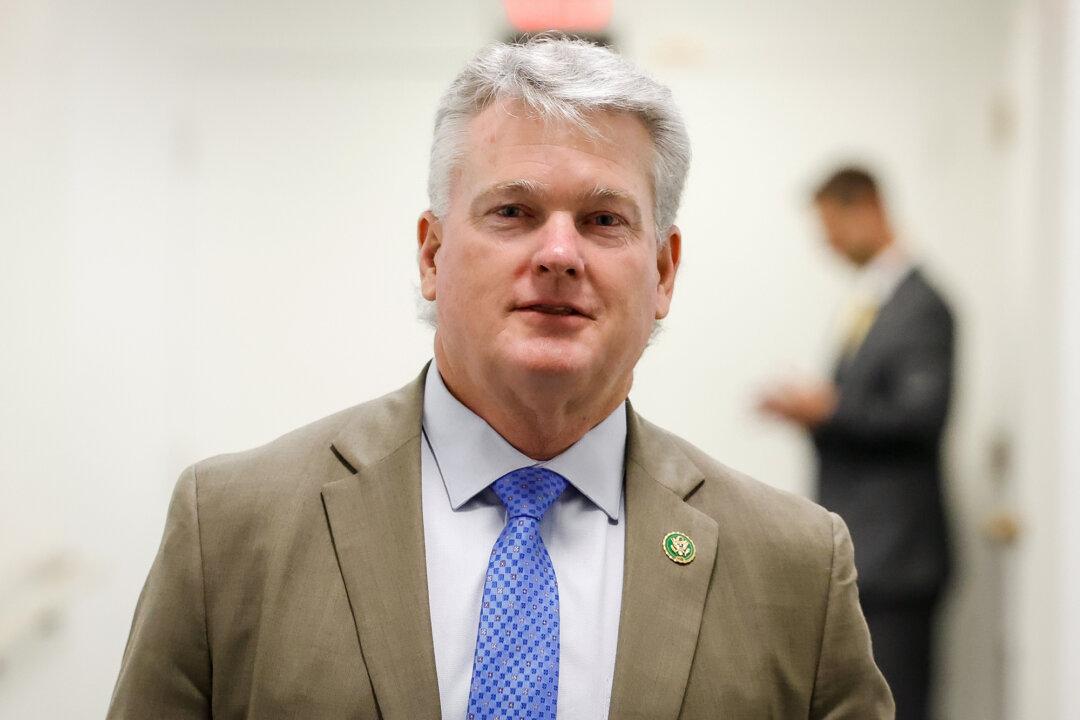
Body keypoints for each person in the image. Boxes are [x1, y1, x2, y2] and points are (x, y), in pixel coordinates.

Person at [108, 39, 893, 719]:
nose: (558, 253)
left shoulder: (796, 569)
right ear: (430, 255)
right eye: (513, 212)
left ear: (662, 272)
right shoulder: (234, 531)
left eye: (604, 219)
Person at [759, 167, 954, 720]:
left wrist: (828, 408)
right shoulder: (874, 301)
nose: (828, 243)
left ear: (866, 208)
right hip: (868, 549)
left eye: (831, 226)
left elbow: (921, 417)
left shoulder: (923, 305)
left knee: (897, 705)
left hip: (899, 557)